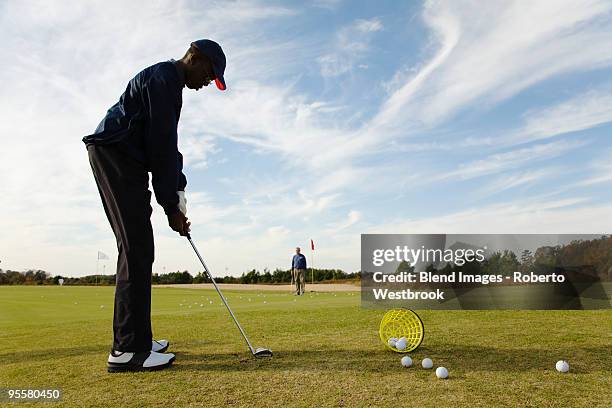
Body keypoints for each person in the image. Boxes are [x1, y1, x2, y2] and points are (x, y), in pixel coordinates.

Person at [82, 39, 227, 372]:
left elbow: (167, 148)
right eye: (210, 73)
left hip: (124, 159)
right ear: (196, 58)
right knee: (136, 247)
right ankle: (128, 350)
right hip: (115, 156)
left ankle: (139, 339)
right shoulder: (164, 80)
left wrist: (179, 188)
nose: (207, 82)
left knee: (140, 248)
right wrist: (171, 208)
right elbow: (161, 147)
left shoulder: (167, 82)